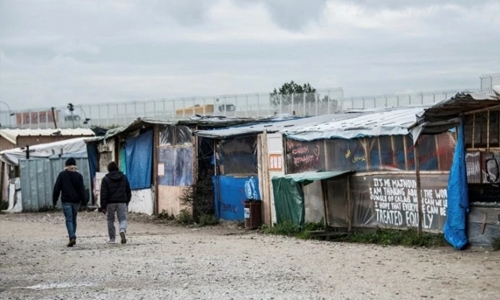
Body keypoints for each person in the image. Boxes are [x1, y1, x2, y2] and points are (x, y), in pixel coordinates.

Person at [53, 157, 87, 247]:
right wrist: (84, 202)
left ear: (66, 165)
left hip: (66, 201)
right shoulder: (79, 176)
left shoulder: (62, 175)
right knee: (73, 219)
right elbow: (82, 190)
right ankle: (72, 236)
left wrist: (54, 200)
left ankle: (72, 236)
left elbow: (57, 188)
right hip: (76, 202)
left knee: (69, 219)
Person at [100, 161, 131, 244]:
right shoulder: (124, 177)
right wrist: (127, 201)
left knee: (110, 219)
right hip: (122, 202)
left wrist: (103, 206)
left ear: (108, 169)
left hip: (110, 203)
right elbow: (128, 190)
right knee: (122, 218)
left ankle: (112, 239)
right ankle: (122, 230)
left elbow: (103, 193)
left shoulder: (105, 179)